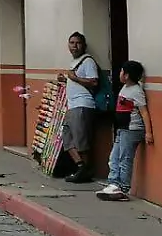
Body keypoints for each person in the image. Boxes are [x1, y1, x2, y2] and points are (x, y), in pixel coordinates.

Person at [98, 60, 153, 201]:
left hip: (132, 130)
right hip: (122, 130)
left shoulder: (136, 91)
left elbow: (144, 112)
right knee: (114, 157)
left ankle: (123, 188)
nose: (120, 74)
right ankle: (113, 183)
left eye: (122, 71)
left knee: (124, 159)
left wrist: (148, 132)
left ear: (127, 75)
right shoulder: (125, 88)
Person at [59, 31, 101, 182]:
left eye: (78, 43)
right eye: (72, 43)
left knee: (81, 141)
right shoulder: (74, 62)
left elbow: (94, 82)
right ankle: (81, 167)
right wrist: (66, 80)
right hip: (72, 105)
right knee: (67, 138)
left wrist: (74, 78)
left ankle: (86, 171)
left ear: (84, 45)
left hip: (83, 105)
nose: (74, 46)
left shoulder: (88, 61)